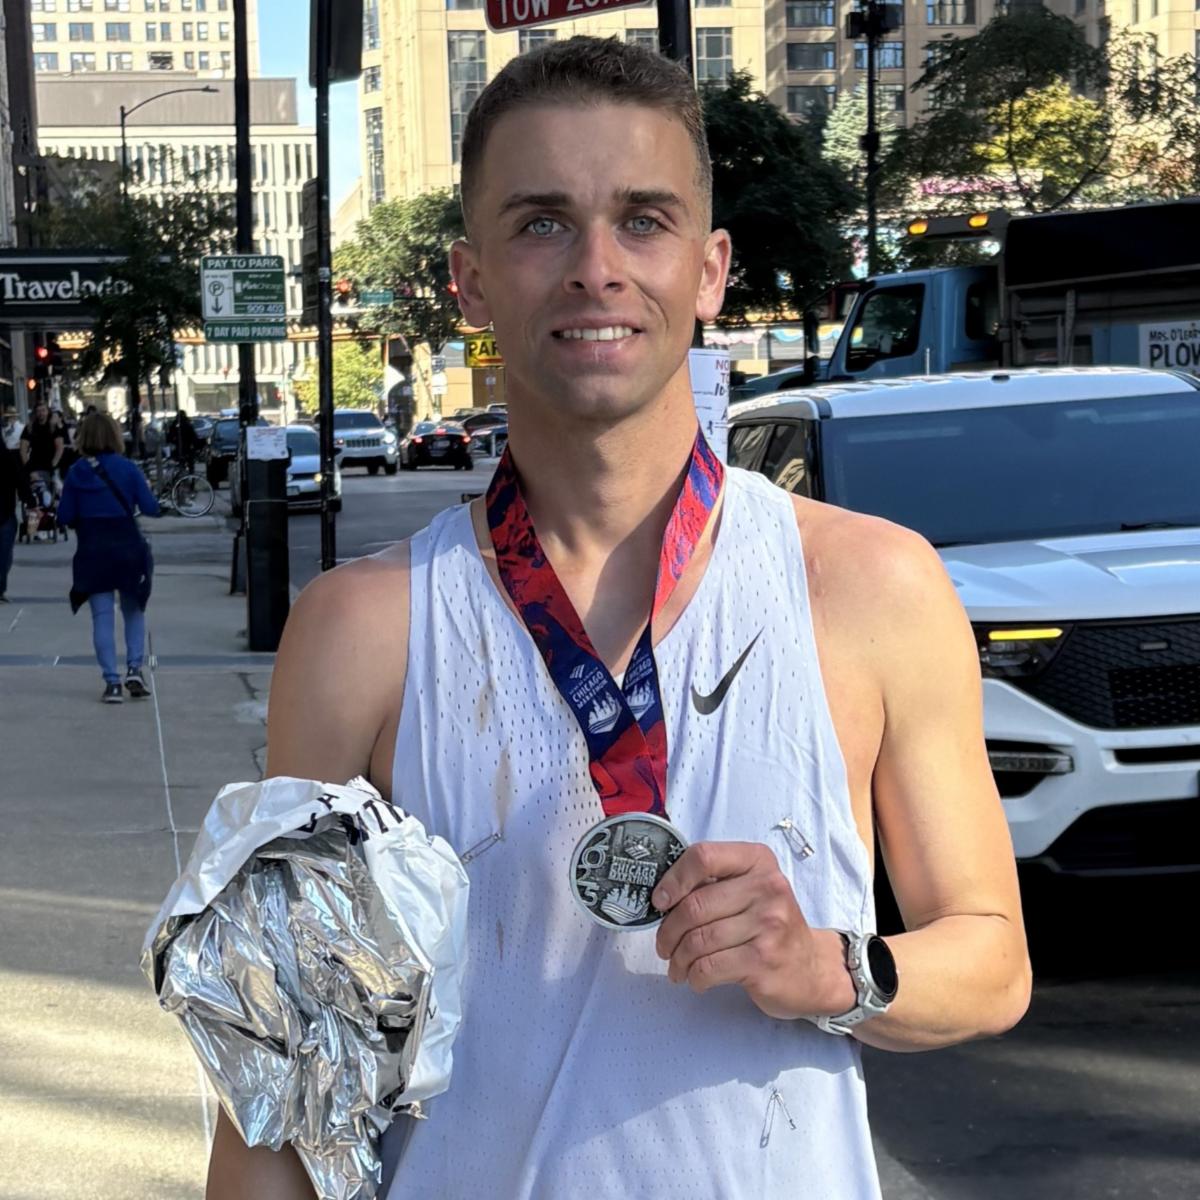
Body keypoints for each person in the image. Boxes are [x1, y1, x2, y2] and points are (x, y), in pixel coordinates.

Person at [206, 38, 1030, 1198]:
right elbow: (282, 1094)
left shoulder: (873, 588)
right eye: (542, 222)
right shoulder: (361, 629)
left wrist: (831, 965)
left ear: (709, 267)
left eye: (643, 220)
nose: (597, 268)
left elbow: (991, 958)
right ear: (471, 279)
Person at [57, 413, 160, 704]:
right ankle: (134, 670)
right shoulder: (128, 469)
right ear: (115, 436)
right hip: (128, 548)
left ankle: (111, 683)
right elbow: (151, 508)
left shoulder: (76, 472)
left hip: (93, 550)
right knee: (133, 611)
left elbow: (64, 516)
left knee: (102, 617)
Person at [0, 437, 26, 602]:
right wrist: (30, 501)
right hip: (6, 513)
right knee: (4, 555)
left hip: (6, 513)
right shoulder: (8, 458)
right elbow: (20, 482)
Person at [20, 401, 64, 475]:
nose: (41, 413)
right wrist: (27, 467)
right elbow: (23, 449)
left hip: (51, 467)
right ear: (35, 413)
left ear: (48, 412)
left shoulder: (53, 426)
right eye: (38, 411)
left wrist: (53, 464)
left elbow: (60, 447)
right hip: (35, 468)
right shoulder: (30, 427)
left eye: (43, 410)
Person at [168, 408, 199, 473]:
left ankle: (183, 475)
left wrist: (174, 441)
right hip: (188, 449)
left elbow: (170, 437)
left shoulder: (175, 424)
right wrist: (194, 447)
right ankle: (191, 478)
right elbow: (194, 437)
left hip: (179, 448)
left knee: (181, 464)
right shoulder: (188, 424)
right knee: (190, 465)